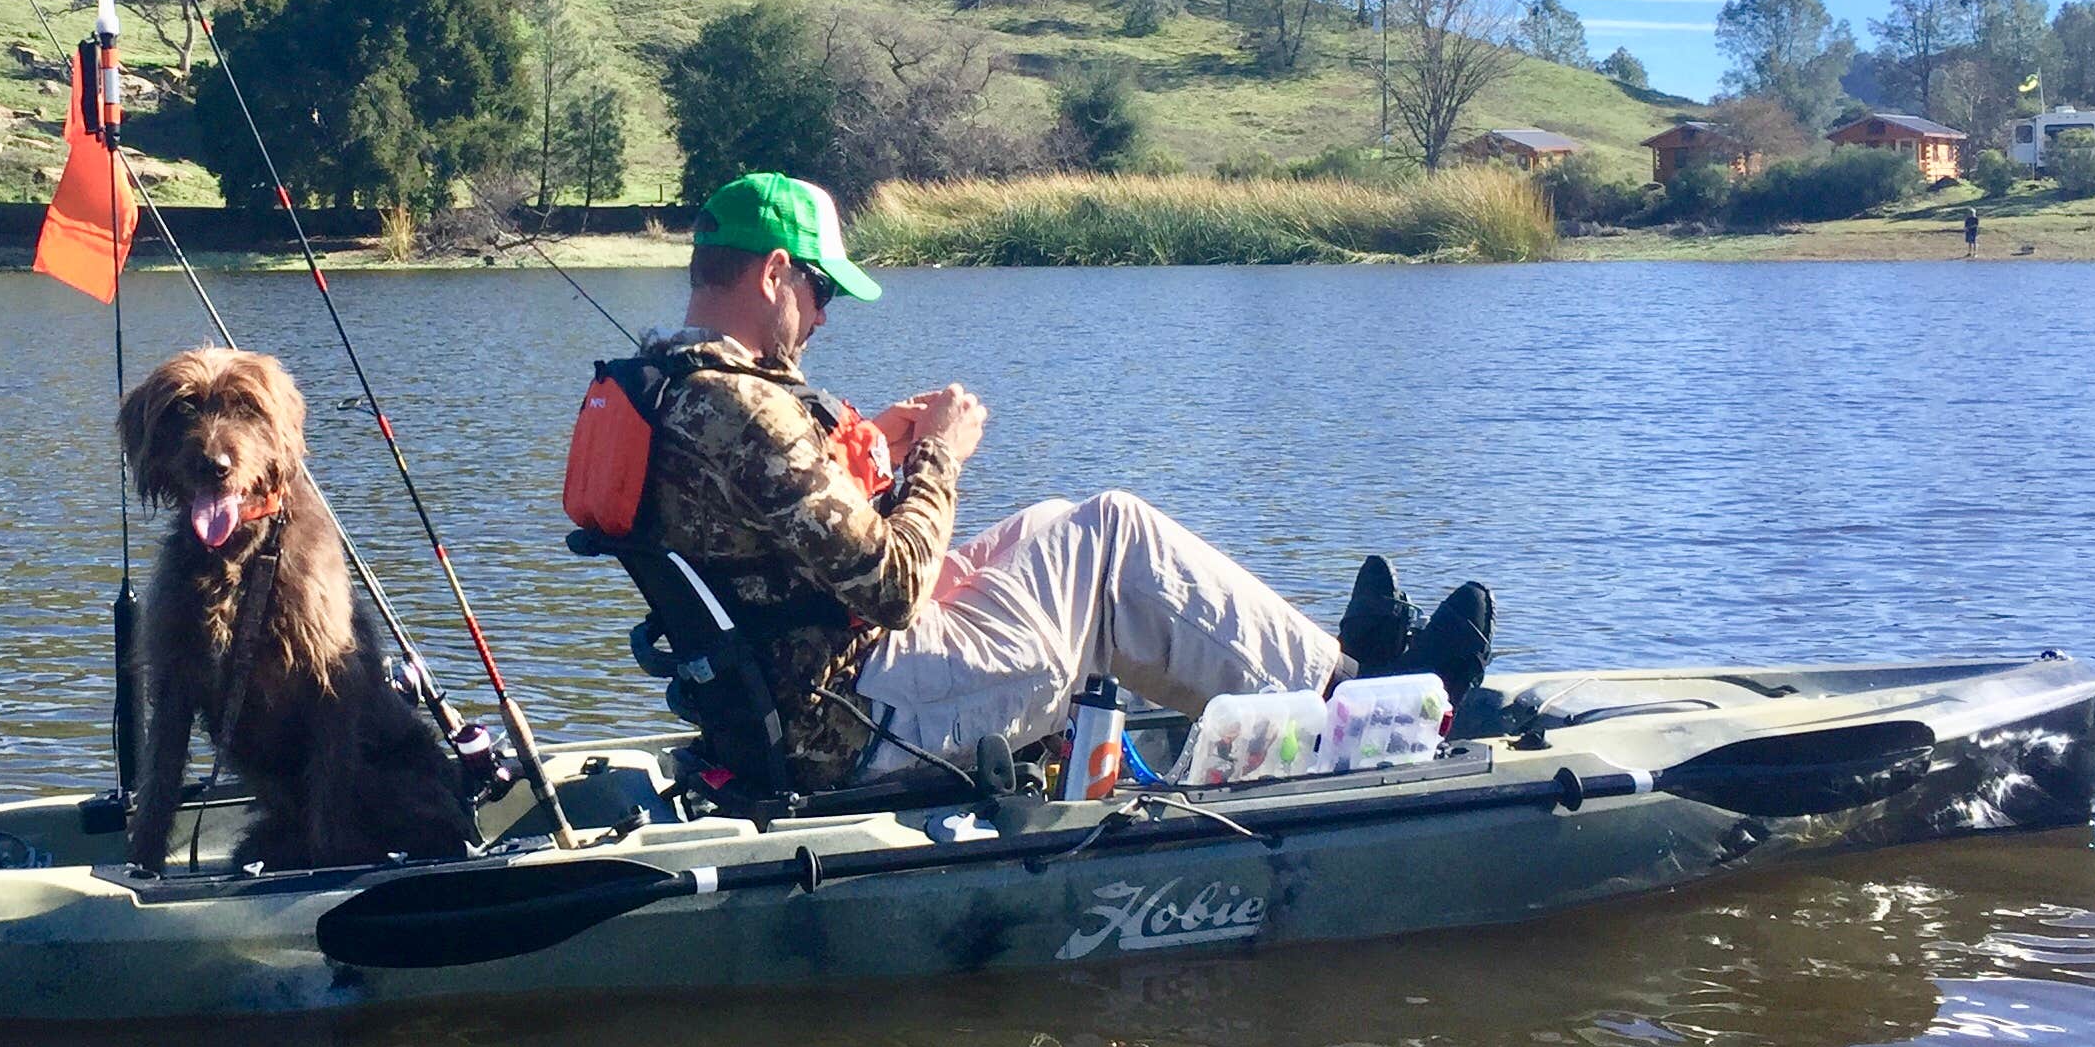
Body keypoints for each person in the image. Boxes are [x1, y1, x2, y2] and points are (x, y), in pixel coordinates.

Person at [620, 170, 1491, 792]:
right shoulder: (744, 409)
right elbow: (892, 586)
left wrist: (875, 451)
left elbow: (777, 543)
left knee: (1051, 521)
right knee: (1112, 534)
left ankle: (1341, 667)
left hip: (808, 687)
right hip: (854, 724)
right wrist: (939, 456)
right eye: (821, 293)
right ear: (775, 272)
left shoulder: (665, 387)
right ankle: (1367, 707)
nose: (822, 316)